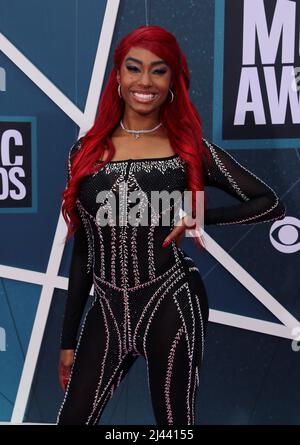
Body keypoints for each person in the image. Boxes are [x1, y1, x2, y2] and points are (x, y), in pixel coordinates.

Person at [56, 25, 285, 425]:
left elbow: (271, 203)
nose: (145, 81)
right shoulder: (85, 151)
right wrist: (67, 340)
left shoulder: (188, 148)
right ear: (118, 77)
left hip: (171, 302)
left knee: (174, 426)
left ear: (173, 80)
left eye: (158, 71)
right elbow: (83, 252)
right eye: (134, 68)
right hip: (106, 307)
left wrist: (199, 216)